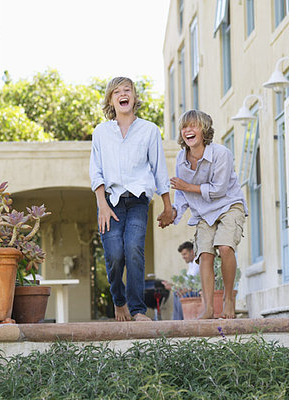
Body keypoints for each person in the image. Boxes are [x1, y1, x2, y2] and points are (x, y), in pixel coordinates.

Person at [89, 77, 174, 322]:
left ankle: (137, 310)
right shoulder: (102, 132)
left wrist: (167, 206)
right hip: (110, 202)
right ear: (110, 100)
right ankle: (119, 301)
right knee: (115, 255)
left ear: (134, 98)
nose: (123, 94)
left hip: (138, 201)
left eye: (127, 90)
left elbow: (159, 169)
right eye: (117, 92)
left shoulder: (149, 130)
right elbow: (96, 171)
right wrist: (102, 205)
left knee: (134, 248)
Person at [163, 109, 247, 319]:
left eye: (194, 126)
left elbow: (218, 189)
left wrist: (187, 186)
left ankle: (229, 300)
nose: (188, 130)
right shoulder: (181, 160)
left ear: (204, 130)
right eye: (184, 126)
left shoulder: (221, 154)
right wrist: (173, 213)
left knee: (225, 247)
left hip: (228, 205)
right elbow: (181, 196)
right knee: (205, 255)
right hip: (203, 213)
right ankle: (208, 308)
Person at [163, 241, 199, 320]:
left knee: (180, 295)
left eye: (184, 254)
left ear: (192, 252)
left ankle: (180, 321)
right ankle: (177, 321)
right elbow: (186, 284)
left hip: (198, 292)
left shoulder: (197, 263)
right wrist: (173, 286)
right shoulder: (191, 264)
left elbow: (190, 286)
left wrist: (175, 288)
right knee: (177, 293)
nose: (183, 257)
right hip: (191, 291)